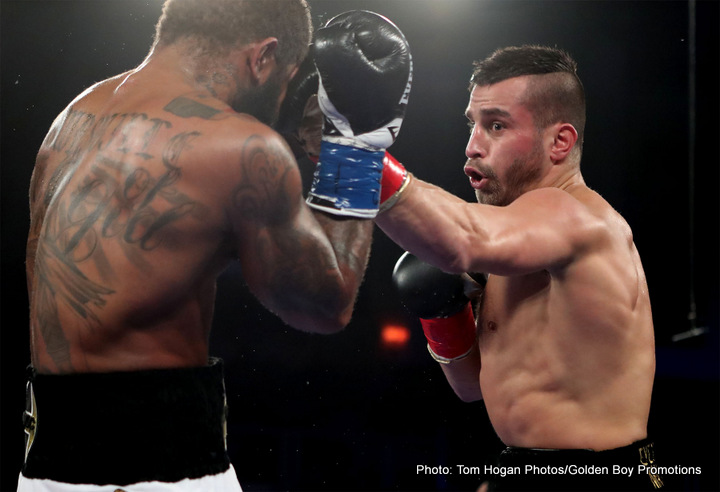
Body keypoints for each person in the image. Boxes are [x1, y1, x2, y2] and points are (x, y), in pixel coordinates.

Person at [20, 0, 412, 490]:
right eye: (288, 77)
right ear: (263, 57)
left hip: (46, 467)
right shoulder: (237, 145)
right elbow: (325, 303)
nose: (286, 93)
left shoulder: (73, 117)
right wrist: (356, 144)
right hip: (156, 471)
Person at [378, 45, 663, 490]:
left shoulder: (570, 214)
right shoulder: (524, 241)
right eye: (472, 124)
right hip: (526, 466)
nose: (472, 146)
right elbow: (472, 388)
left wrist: (353, 155)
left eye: (496, 125)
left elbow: (459, 240)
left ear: (560, 142)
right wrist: (443, 314)